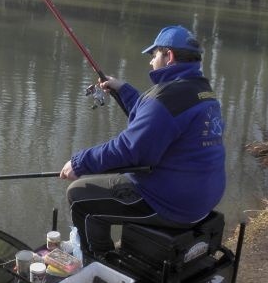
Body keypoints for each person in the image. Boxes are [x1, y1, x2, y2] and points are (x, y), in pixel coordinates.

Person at [59, 25, 225, 257]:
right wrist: (122, 89)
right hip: (202, 198)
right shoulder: (201, 91)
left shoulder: (168, 97)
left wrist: (79, 163)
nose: (150, 62)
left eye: (154, 54)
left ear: (169, 56)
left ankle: (99, 266)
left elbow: (131, 149)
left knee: (79, 195)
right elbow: (156, 119)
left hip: (172, 204)